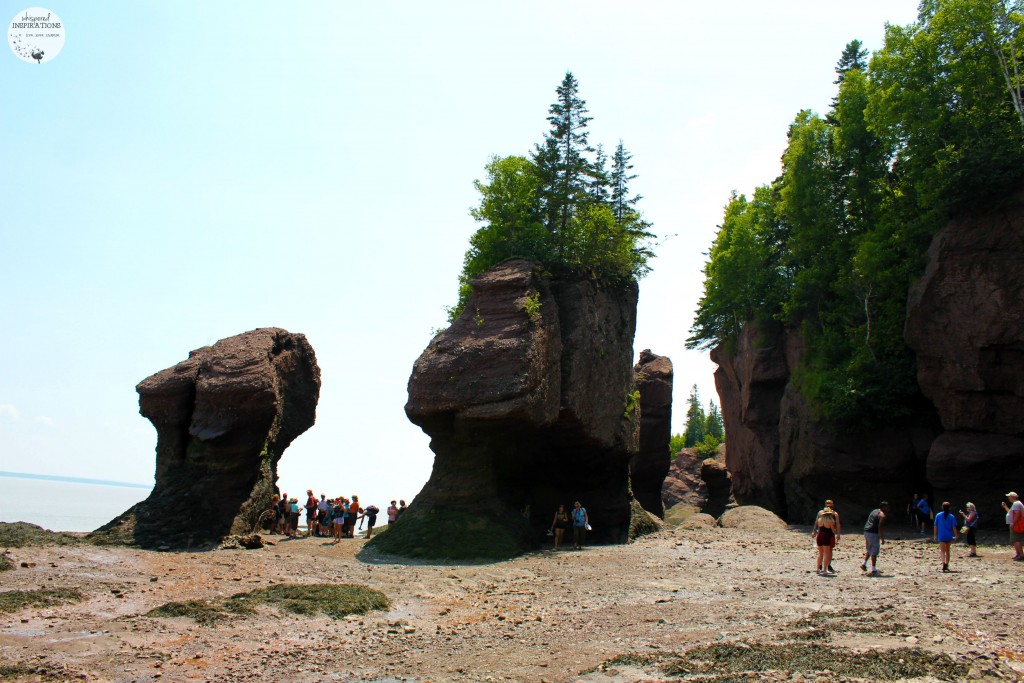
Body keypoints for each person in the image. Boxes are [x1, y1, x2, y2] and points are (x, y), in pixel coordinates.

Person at [861, 502, 889, 575]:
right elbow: (880, 527)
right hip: (873, 533)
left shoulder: (874, 511)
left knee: (870, 549)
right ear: (883, 507)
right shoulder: (882, 515)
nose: (888, 509)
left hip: (866, 531)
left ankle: (864, 564)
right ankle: (873, 569)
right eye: (886, 507)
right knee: (874, 551)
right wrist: (882, 538)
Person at [812, 506, 839, 575]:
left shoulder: (819, 520)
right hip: (826, 536)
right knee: (826, 553)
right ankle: (825, 570)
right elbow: (833, 530)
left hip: (819, 536)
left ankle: (818, 569)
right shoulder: (830, 521)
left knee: (820, 553)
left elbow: (819, 528)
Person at [934, 501, 958, 572]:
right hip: (949, 535)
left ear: (942, 507)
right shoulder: (951, 516)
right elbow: (954, 527)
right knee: (947, 550)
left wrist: (935, 535)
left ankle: (943, 563)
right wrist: (956, 535)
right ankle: (947, 564)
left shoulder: (938, 515)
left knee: (942, 550)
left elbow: (935, 526)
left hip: (941, 535)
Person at [1001, 491, 1024, 560]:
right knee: (1015, 540)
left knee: (1017, 539)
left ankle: (1021, 555)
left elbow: (1018, 513)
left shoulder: (1016, 504)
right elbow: (1010, 513)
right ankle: (1018, 554)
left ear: (1013, 497)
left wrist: (1013, 523)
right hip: (1014, 524)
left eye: (1009, 496)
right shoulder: (1015, 504)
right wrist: (1005, 507)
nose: (1008, 498)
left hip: (1016, 524)